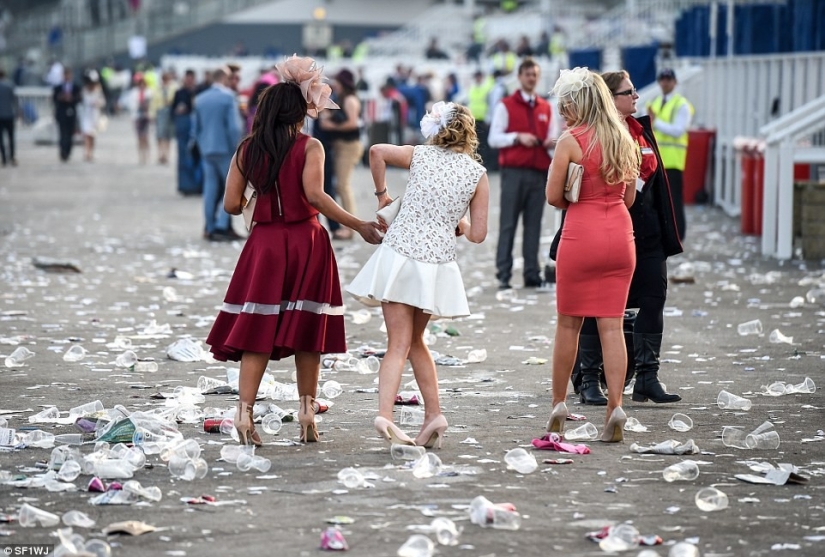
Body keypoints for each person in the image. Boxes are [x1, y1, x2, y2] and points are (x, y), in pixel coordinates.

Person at [206, 56, 384, 445]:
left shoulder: (247, 149)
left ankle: (243, 414)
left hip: (264, 246)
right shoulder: (310, 146)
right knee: (308, 332)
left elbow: (231, 205)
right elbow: (316, 197)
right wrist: (359, 225)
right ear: (297, 112)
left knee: (257, 332)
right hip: (307, 242)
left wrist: (260, 194)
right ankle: (307, 413)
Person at [347, 102, 489, 448]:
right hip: (437, 263)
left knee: (397, 343)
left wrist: (382, 195)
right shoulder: (476, 175)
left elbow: (377, 151)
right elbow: (478, 235)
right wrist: (459, 221)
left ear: (437, 129)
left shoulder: (421, 155)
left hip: (401, 254)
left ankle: (385, 414)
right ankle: (434, 415)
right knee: (417, 342)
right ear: (469, 133)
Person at [571, 70, 683, 405]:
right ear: (610, 98)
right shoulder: (590, 136)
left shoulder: (640, 130)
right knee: (597, 305)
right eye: (628, 92)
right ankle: (590, 380)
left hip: (648, 231)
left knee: (653, 299)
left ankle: (647, 378)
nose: (636, 96)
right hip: (608, 231)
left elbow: (653, 184)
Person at [544, 68, 639, 443]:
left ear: (577, 103)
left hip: (581, 234)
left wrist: (573, 189)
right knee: (612, 326)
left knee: (569, 324)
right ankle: (615, 406)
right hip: (620, 233)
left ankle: (558, 404)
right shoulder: (624, 136)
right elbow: (630, 197)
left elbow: (554, 198)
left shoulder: (571, 140)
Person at [488, 57, 555, 289]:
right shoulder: (505, 105)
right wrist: (517, 137)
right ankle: (503, 274)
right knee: (508, 224)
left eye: (534, 74)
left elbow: (552, 138)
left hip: (538, 172)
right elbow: (493, 139)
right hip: (513, 172)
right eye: (528, 74)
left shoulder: (546, 107)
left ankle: (531, 273)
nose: (531, 78)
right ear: (520, 77)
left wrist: (550, 143)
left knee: (534, 225)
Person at [191, 66, 242, 242]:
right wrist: (236, 146)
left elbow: (195, 128)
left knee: (210, 189)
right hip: (225, 148)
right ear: (225, 78)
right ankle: (221, 223)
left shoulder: (200, 99)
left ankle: (209, 225)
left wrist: (202, 145)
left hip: (206, 149)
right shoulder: (228, 97)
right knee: (230, 188)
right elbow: (234, 127)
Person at [646, 68, 693, 240]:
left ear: (675, 82)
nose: (665, 82)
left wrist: (656, 122)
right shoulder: (655, 102)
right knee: (657, 199)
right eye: (662, 79)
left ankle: (679, 234)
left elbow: (679, 130)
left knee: (675, 199)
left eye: (668, 79)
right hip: (656, 160)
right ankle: (664, 232)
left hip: (673, 160)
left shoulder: (681, 104)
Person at [319, 68, 363, 240]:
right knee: (340, 186)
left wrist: (332, 127)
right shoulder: (342, 98)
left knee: (343, 186)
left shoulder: (350, 100)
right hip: (341, 145)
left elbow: (352, 123)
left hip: (348, 146)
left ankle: (350, 227)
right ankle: (348, 225)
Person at [172, 69, 202, 195]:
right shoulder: (180, 92)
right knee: (183, 159)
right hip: (183, 130)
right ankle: (185, 186)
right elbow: (172, 110)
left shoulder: (198, 92)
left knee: (197, 158)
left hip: (196, 131)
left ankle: (197, 185)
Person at [52, 68, 82, 162]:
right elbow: (54, 99)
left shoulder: (76, 87)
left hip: (71, 111)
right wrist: (61, 98)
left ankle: (68, 151)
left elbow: (79, 99)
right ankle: (63, 151)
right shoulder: (58, 87)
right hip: (61, 112)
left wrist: (71, 99)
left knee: (70, 133)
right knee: (62, 133)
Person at [124, 72, 153, 164]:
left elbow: (152, 104)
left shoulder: (149, 92)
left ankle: (147, 153)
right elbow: (131, 104)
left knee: (146, 136)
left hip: (146, 116)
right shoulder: (134, 92)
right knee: (139, 137)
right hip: (137, 116)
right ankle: (141, 155)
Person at [79, 71, 104, 162]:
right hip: (86, 114)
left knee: (92, 135)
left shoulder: (98, 90)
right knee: (86, 134)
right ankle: (86, 152)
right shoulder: (84, 90)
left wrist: (98, 103)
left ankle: (91, 152)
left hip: (95, 114)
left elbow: (102, 101)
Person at [152, 70, 177, 164]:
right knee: (159, 135)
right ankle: (160, 154)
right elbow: (154, 102)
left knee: (167, 136)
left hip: (170, 112)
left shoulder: (174, 87)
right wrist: (153, 114)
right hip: (160, 112)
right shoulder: (158, 88)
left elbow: (174, 99)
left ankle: (166, 155)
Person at [0, 68, 17, 167]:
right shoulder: (10, 85)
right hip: (9, 114)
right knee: (11, 137)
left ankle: (4, 158)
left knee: (1, 139)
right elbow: (14, 100)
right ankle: (12, 157)